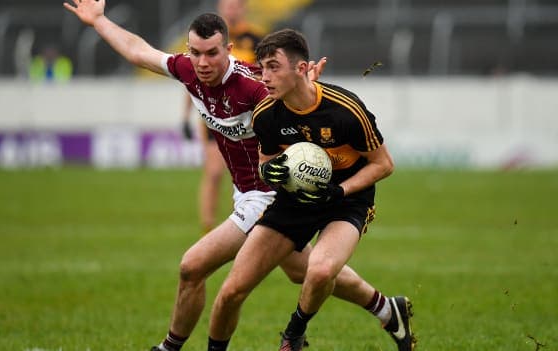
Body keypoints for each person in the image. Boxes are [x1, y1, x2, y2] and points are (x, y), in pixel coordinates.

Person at [63, 2, 406, 351]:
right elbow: (140, 52)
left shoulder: (255, 86)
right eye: (195, 53)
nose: (203, 62)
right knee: (307, 271)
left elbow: (295, 95)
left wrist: (305, 82)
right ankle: (385, 308)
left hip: (269, 194)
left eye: (212, 53)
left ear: (228, 49)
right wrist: (99, 21)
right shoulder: (188, 71)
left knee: (193, 267)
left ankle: (170, 346)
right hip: (245, 190)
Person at [207, 29, 416, 351]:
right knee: (231, 291)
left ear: (301, 68)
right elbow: (266, 161)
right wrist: (271, 171)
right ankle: (389, 310)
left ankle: (294, 333)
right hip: (294, 201)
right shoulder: (266, 115)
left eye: (274, 66)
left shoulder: (345, 109)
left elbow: (383, 165)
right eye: (262, 68)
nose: (265, 76)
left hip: (347, 201)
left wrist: (339, 192)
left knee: (319, 270)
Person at [181, 0, 265, 234]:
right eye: (227, 5)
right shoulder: (207, 40)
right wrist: (185, 116)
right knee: (215, 172)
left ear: (244, 8)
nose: (231, 10)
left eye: (236, 5)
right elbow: (194, 82)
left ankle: (242, 225)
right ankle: (207, 228)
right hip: (214, 116)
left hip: (246, 119)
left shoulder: (257, 39)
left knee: (245, 176)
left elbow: (267, 76)